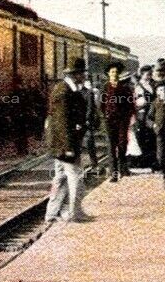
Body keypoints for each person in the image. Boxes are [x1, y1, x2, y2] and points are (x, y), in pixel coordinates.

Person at [44, 58, 92, 222]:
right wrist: (68, 146)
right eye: (82, 73)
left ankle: (53, 212)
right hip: (64, 143)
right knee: (76, 177)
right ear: (76, 74)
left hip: (63, 142)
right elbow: (62, 122)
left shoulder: (67, 89)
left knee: (61, 177)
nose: (84, 76)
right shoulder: (64, 92)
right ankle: (74, 213)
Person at [101, 64, 133, 181]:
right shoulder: (104, 88)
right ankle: (113, 173)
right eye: (112, 72)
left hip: (122, 121)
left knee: (122, 144)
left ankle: (123, 168)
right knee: (111, 146)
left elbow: (130, 105)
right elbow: (101, 105)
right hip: (109, 121)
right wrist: (105, 116)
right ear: (108, 74)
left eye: (116, 72)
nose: (114, 74)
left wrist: (126, 117)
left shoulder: (124, 88)